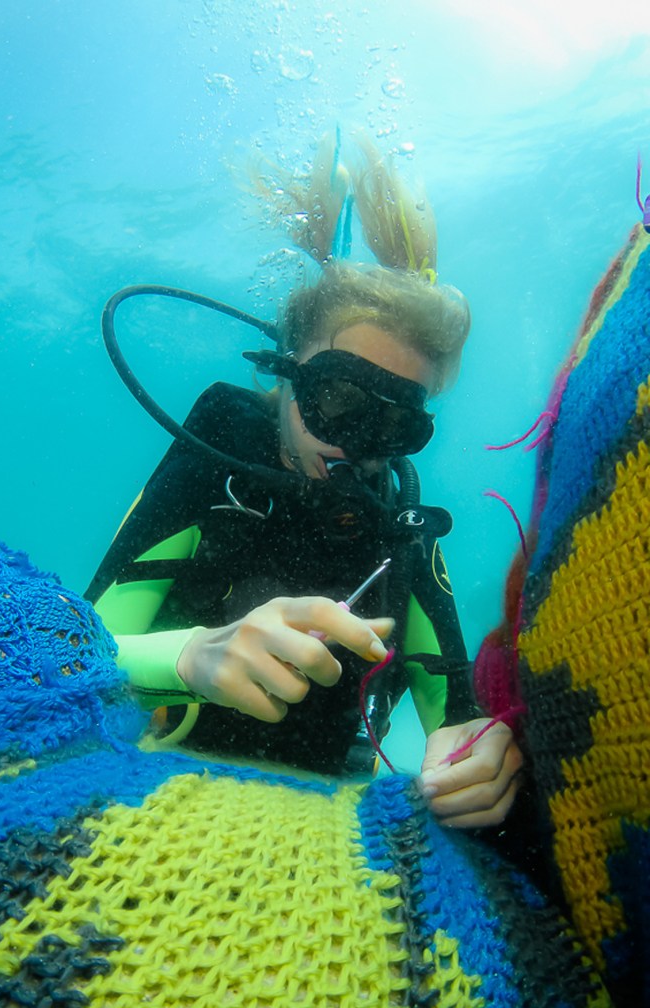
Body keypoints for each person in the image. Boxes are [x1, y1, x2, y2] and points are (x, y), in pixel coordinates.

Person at [86, 136, 522, 827]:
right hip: (147, 795)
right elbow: (75, 649)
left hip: (316, 830)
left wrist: (476, 756)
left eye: (394, 427)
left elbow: (457, 716)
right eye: (338, 403)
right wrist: (194, 655)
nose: (357, 447)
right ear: (286, 372)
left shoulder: (395, 522)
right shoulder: (221, 452)